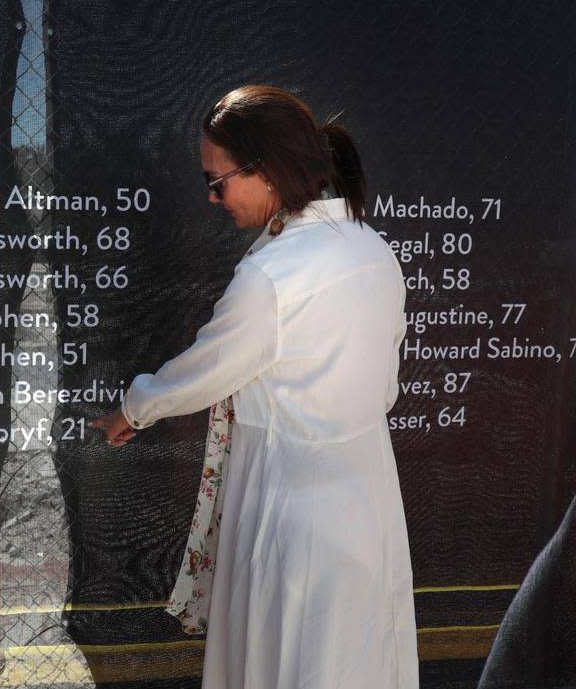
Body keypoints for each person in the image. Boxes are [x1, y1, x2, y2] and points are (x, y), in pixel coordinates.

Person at [94, 86, 418, 688]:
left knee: (282, 657)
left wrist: (135, 409)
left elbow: (205, 369)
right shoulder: (373, 249)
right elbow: (386, 383)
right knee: (356, 656)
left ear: (266, 170)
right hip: (367, 500)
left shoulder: (271, 275)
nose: (212, 197)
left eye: (219, 182)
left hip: (289, 504)